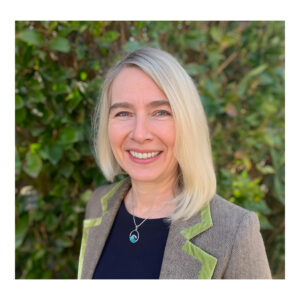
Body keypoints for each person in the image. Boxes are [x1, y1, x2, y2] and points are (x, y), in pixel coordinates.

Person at [77, 47, 272, 279]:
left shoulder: (236, 232)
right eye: (123, 113)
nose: (139, 134)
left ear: (187, 123)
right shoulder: (99, 203)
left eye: (160, 112)